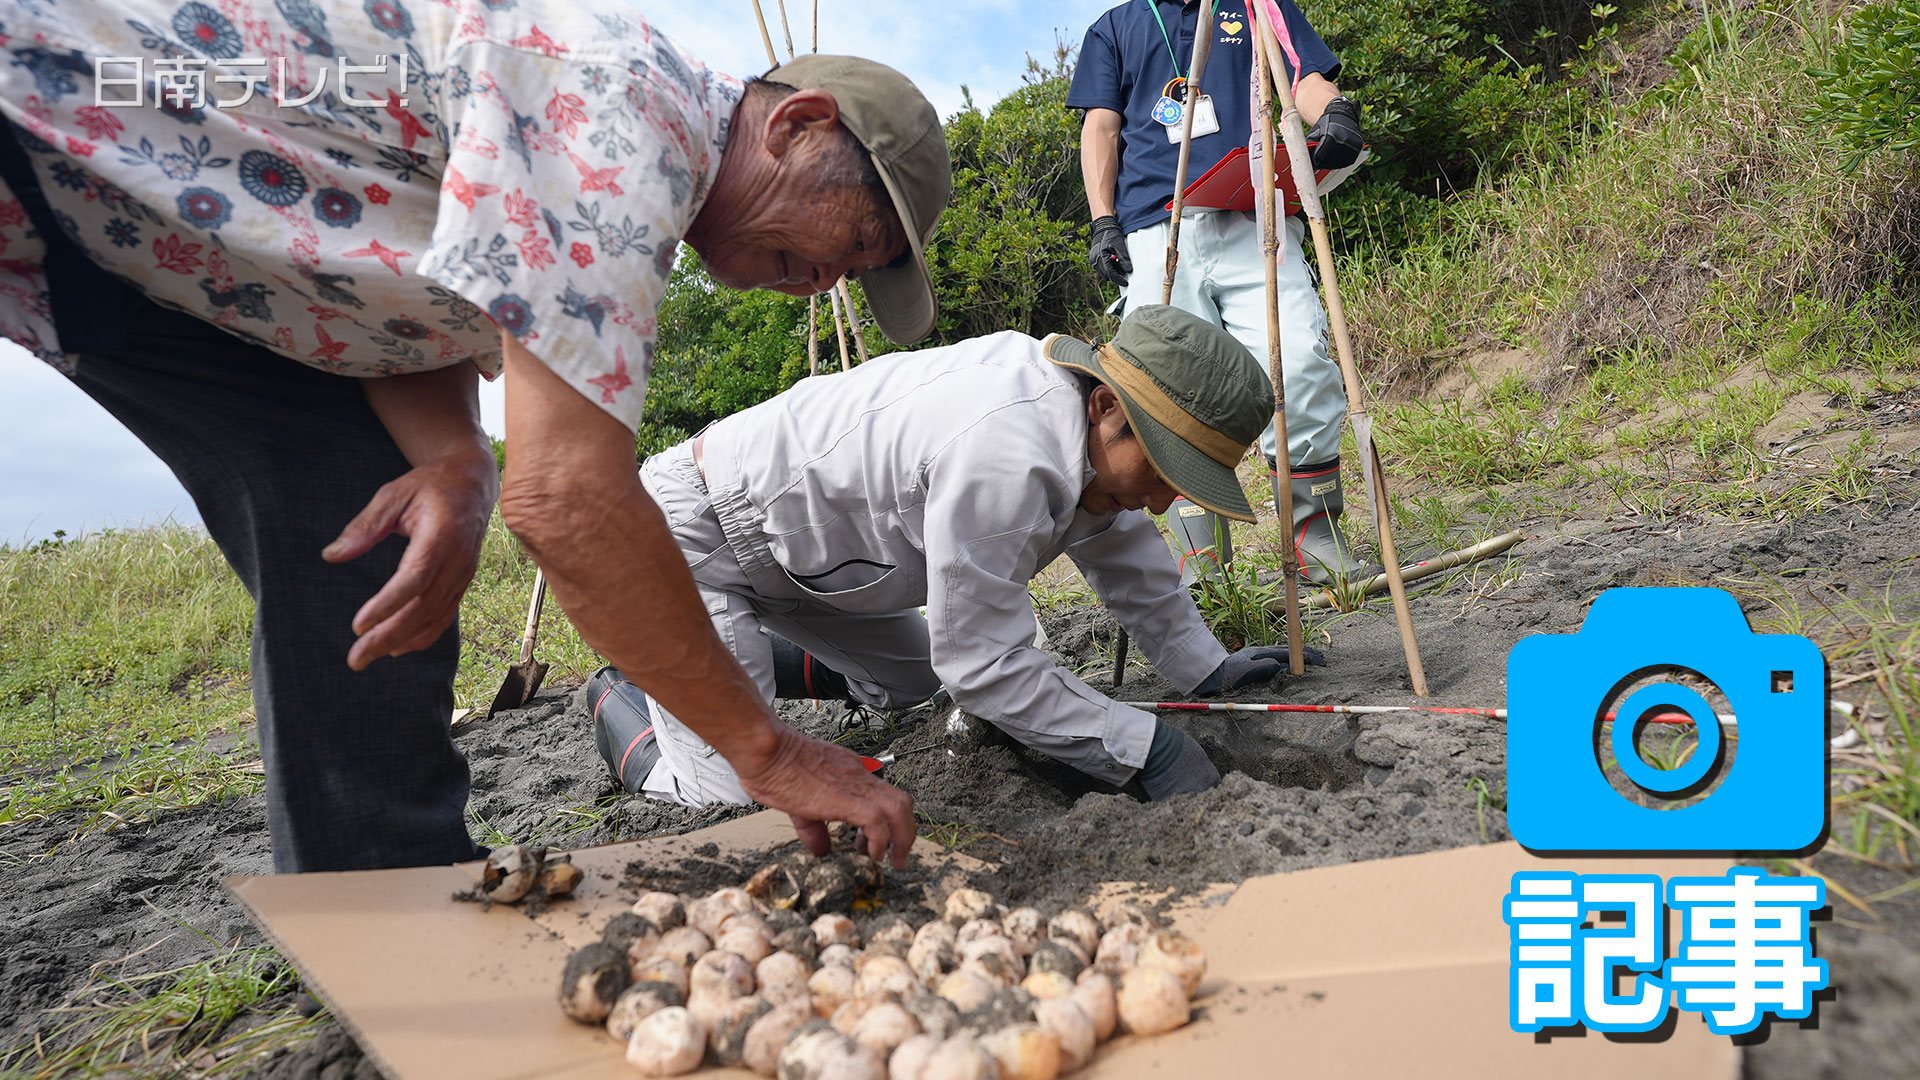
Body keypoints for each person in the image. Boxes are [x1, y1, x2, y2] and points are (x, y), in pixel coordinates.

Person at [0, 2, 952, 872]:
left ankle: (384, 904)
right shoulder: (620, 113)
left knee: (372, 529)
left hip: (139, 252)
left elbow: (398, 289)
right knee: (369, 520)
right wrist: (769, 751)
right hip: (52, 100)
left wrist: (454, 458)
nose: (830, 279)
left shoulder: (620, 190)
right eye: (857, 240)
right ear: (797, 124)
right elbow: (568, 500)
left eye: (857, 276)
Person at [589, 304, 1319, 807]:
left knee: (916, 675)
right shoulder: (1006, 453)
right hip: (689, 536)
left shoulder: (1080, 437)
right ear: (1105, 408)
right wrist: (1145, 749)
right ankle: (628, 691)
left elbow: (1123, 551)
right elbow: (986, 669)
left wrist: (1202, 666)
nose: (1162, 503)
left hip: (799, 560)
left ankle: (694, 669)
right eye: (1161, 474)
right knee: (733, 795)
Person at [1067, 0, 1368, 585]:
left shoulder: (1258, 5)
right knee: (1165, 394)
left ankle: (1314, 535)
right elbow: (1101, 125)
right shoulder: (1114, 26)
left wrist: (1334, 114)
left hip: (1253, 211)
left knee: (1299, 363)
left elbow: (1303, 76)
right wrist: (1103, 219)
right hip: (1155, 224)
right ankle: (1199, 563)